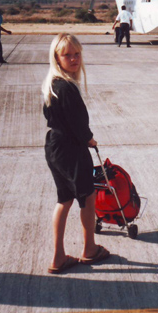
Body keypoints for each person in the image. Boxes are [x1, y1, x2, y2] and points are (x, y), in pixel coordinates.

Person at [41, 33, 110, 274]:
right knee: (88, 197)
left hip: (54, 146)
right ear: (57, 58)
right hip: (70, 148)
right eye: (67, 55)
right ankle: (89, 250)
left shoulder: (52, 84)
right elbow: (78, 124)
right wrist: (89, 138)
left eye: (76, 53)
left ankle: (58, 256)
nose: (73, 58)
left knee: (64, 200)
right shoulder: (67, 87)